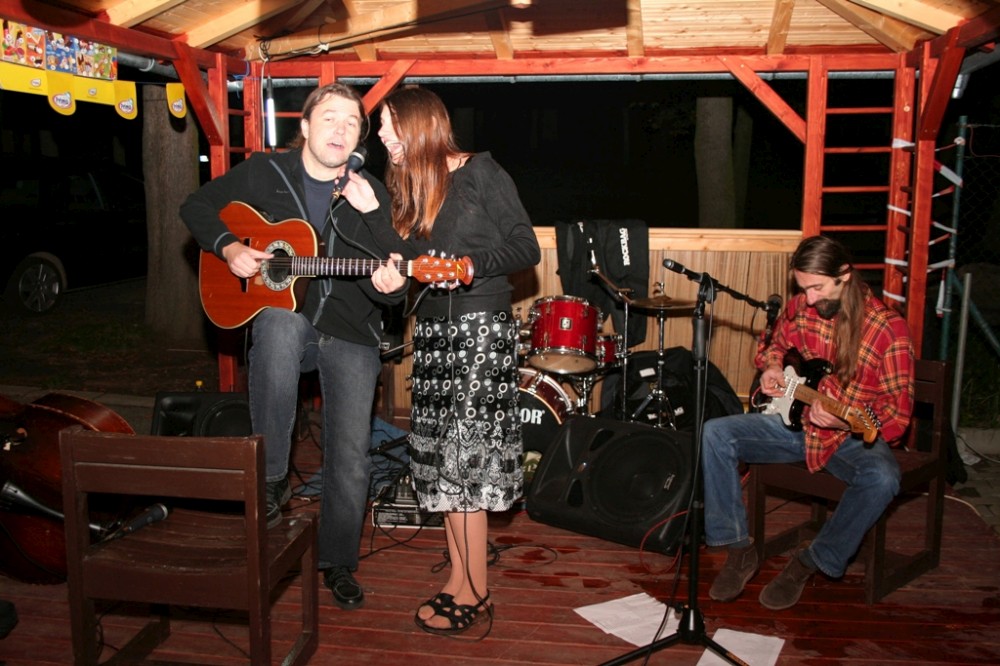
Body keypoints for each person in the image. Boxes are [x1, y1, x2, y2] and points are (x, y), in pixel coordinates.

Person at [180, 82, 405, 611]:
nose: (340, 129)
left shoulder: (369, 191)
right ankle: (273, 478)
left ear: (359, 137)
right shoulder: (266, 172)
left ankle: (338, 560)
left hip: (350, 330)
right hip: (287, 324)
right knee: (279, 325)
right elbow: (197, 205)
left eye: (352, 122)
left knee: (350, 455)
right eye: (329, 118)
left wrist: (386, 252)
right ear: (304, 127)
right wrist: (229, 247)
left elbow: (393, 281)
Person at [342, 86, 541, 635]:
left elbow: (526, 246)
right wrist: (375, 218)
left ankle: (476, 589)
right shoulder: (413, 184)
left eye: (391, 129)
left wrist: (470, 266)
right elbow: (411, 258)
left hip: (479, 329)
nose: (383, 139)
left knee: (466, 464)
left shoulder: (481, 172)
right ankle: (458, 578)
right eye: (382, 132)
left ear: (421, 124)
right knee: (442, 466)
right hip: (432, 331)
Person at [702, 235, 915, 610]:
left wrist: (844, 422)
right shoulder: (801, 307)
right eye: (803, 289)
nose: (810, 299)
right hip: (795, 425)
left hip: (848, 439)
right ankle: (739, 549)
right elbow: (773, 344)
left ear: (844, 274)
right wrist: (771, 366)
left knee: (882, 478)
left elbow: (897, 416)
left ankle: (810, 561)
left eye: (817, 288)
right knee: (715, 434)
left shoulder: (887, 328)